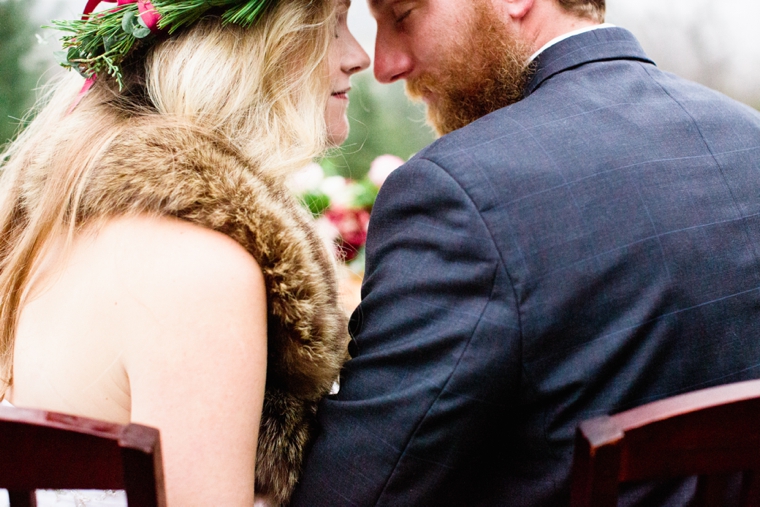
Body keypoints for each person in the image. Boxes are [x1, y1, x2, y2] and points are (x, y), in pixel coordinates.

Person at [291, 0, 760, 505]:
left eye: (403, 15)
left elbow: (353, 494)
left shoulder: (457, 193)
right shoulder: (749, 140)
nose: (384, 65)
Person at [0, 0, 369, 505]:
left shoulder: (54, 224)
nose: (359, 56)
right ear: (246, 43)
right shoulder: (198, 272)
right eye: (331, 24)